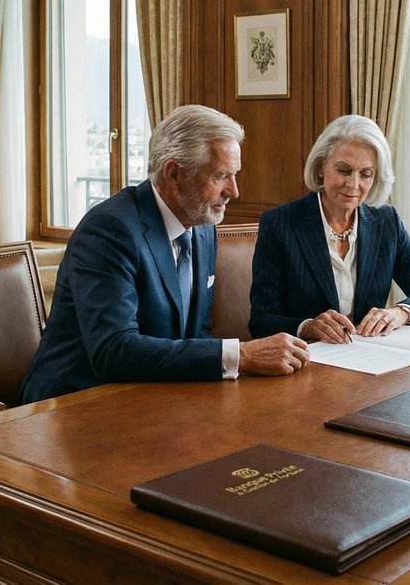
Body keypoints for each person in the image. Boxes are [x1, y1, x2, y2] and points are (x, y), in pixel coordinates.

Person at [19, 105, 309, 403]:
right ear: (174, 173)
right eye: (221, 176)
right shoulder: (110, 230)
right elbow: (114, 351)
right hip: (74, 405)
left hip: (159, 396)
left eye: (234, 175)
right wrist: (242, 355)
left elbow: (197, 331)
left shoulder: (202, 226)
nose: (233, 191)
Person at [249, 114, 410, 343]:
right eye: (344, 170)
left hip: (370, 358)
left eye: (365, 174)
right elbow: (261, 321)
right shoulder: (280, 223)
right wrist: (307, 326)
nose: (353, 185)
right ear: (320, 168)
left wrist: (399, 313)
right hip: (308, 361)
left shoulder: (386, 222)